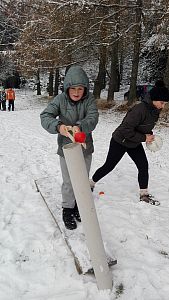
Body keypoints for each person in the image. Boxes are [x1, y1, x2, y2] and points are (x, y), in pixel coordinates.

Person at [90, 81, 169, 206]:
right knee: (109, 166)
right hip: (120, 140)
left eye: (165, 103)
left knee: (143, 165)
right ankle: (90, 184)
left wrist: (149, 136)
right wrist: (144, 137)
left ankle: (144, 195)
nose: (163, 106)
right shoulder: (139, 109)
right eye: (162, 103)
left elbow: (145, 125)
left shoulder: (155, 110)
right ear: (154, 99)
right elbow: (125, 130)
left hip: (134, 142)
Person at [40, 65, 99, 230]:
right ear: (67, 88)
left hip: (85, 148)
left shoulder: (89, 100)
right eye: (73, 88)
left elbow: (93, 117)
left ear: (84, 89)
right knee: (69, 181)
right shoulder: (60, 100)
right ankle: (67, 208)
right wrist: (58, 127)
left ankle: (78, 206)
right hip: (66, 150)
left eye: (80, 88)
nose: (76, 92)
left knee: (82, 180)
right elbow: (45, 116)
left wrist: (81, 126)